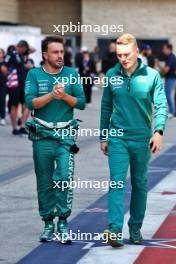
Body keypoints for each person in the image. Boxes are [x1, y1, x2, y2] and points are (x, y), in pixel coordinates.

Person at [100, 34, 168, 247]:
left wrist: (158, 131)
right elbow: (106, 107)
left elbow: (161, 105)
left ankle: (135, 227)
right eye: (119, 55)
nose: (123, 58)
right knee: (117, 182)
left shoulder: (152, 75)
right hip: (117, 138)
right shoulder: (111, 74)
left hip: (142, 140)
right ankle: (114, 230)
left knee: (139, 184)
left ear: (137, 51)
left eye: (127, 54)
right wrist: (104, 136)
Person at [25, 36, 85, 243]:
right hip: (41, 136)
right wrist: (52, 95)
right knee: (44, 181)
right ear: (45, 55)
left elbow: (82, 103)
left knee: (64, 179)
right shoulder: (33, 74)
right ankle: (48, 222)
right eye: (55, 52)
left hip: (65, 136)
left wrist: (64, 97)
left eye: (62, 52)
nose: (60, 56)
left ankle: (63, 221)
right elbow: (30, 103)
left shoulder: (71, 74)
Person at [5, 40, 30, 135]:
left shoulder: (21, 55)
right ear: (21, 47)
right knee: (14, 106)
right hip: (15, 85)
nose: (25, 51)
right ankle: (14, 128)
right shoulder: (11, 54)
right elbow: (4, 65)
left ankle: (22, 126)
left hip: (24, 84)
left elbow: (31, 49)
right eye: (24, 49)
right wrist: (6, 71)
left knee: (28, 104)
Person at [157, 43, 176, 118]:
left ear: (169, 49)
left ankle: (172, 112)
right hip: (169, 78)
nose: (163, 50)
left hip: (171, 78)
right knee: (168, 95)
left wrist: (158, 65)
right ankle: (171, 112)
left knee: (168, 95)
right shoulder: (170, 57)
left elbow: (165, 70)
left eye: (164, 48)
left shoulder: (171, 57)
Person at [0, 48, 8, 125]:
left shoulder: (5, 63)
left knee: (2, 100)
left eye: (0, 53)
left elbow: (6, 72)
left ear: (3, 54)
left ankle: (2, 117)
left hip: (3, 84)